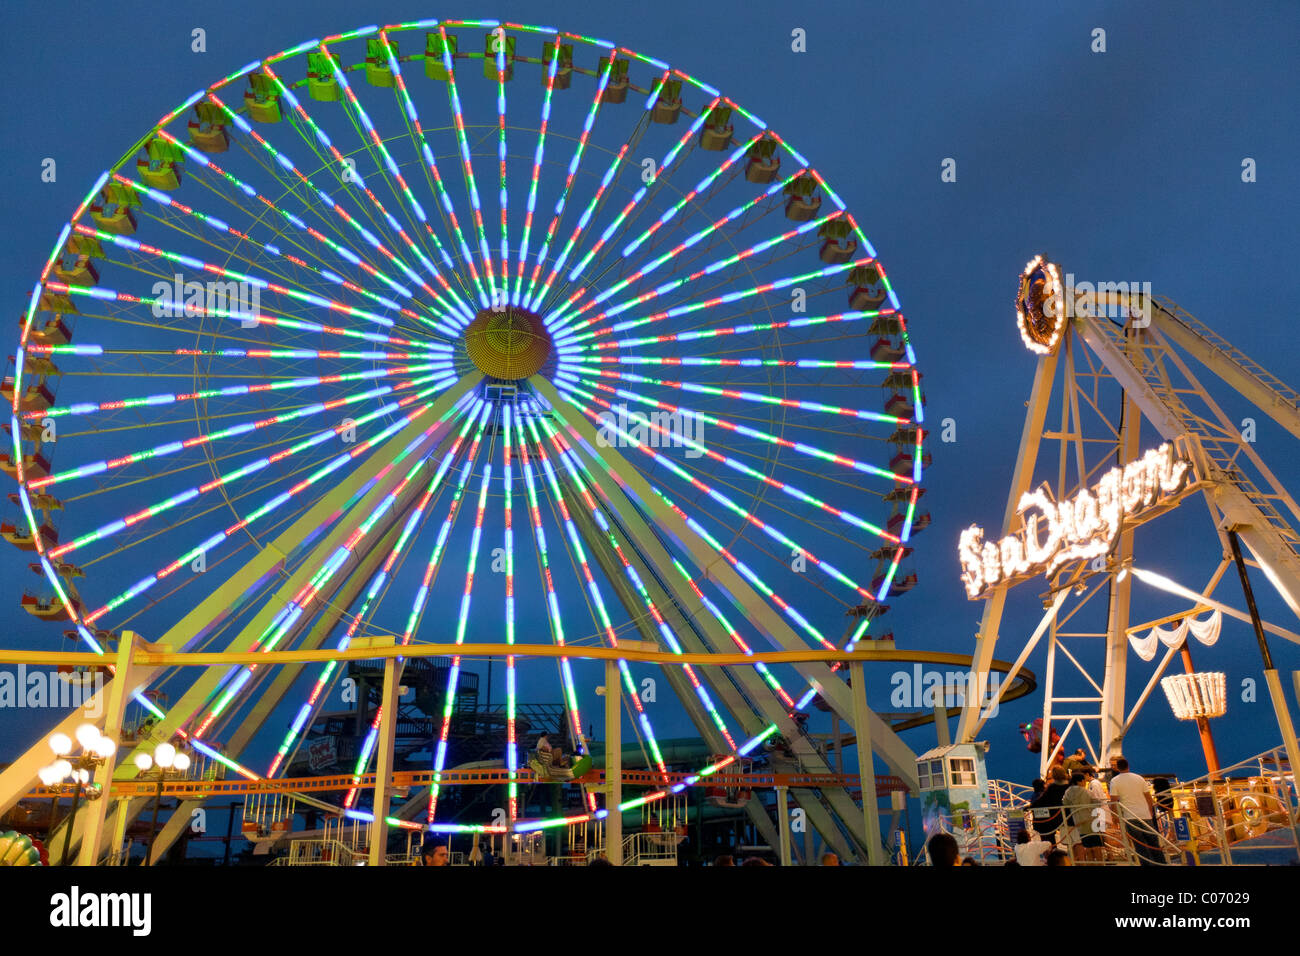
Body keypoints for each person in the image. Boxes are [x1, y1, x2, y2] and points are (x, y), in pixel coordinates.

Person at [1109, 758, 1162, 865]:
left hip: (1130, 817)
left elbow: (1113, 802)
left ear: (1118, 768)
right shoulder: (1139, 778)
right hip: (1145, 816)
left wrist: (1115, 817)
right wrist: (1150, 812)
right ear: (1128, 766)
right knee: (1154, 844)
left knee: (1140, 846)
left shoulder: (1114, 781)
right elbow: (1148, 798)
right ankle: (1162, 863)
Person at [1062, 770, 1104, 862]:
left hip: (1079, 822)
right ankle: (1100, 864)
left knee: (1087, 847)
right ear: (1079, 781)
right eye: (1084, 780)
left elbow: (1064, 803)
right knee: (1097, 846)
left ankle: (1090, 864)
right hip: (1091, 821)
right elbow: (1097, 802)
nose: (1085, 783)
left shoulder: (1068, 792)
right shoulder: (1085, 791)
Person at [1029, 766, 1070, 843]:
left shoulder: (1052, 787)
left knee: (1048, 838)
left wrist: (1030, 807)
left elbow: (1042, 800)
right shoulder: (1069, 785)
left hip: (1054, 816)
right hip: (1069, 814)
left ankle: (1051, 852)